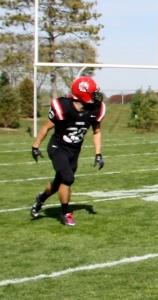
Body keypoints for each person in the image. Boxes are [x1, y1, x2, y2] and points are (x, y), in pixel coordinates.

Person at [30, 76, 106, 226]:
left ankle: (41, 198)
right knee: (68, 179)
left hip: (74, 150)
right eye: (92, 93)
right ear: (83, 94)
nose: (96, 96)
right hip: (57, 148)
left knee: (59, 181)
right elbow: (46, 127)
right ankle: (65, 213)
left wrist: (98, 153)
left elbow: (96, 132)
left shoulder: (95, 109)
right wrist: (35, 146)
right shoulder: (63, 107)